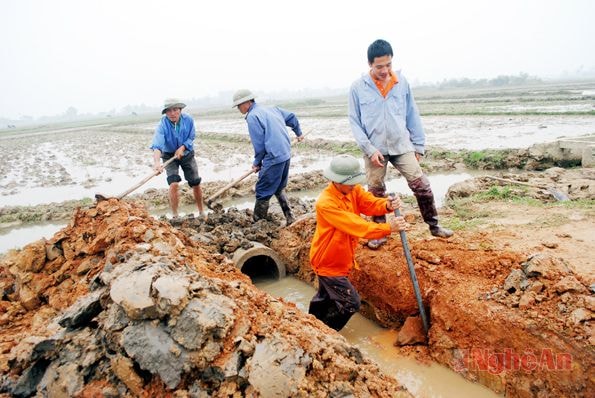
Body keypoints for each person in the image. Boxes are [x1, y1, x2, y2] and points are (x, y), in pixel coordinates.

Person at [348, 39, 453, 249]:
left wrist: (418, 145)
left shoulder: (401, 82)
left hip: (401, 145)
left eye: (388, 65)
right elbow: (354, 122)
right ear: (370, 64)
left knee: (421, 185)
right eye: (379, 66)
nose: (385, 70)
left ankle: (434, 226)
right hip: (375, 149)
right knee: (376, 191)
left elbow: (412, 113)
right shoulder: (358, 88)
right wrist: (369, 149)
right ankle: (379, 233)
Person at [308, 154, 407, 331]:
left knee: (325, 296)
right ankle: (327, 333)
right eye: (351, 182)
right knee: (351, 302)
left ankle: (310, 323)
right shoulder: (326, 203)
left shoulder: (353, 190)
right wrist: (387, 228)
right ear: (337, 181)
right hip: (328, 262)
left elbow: (369, 203)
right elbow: (356, 226)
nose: (355, 185)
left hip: (342, 257)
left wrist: (387, 205)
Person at [232, 89, 304, 225]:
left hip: (274, 156)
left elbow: (259, 145)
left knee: (262, 190)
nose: (238, 108)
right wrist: (298, 133)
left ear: (247, 102)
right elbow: (291, 117)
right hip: (285, 154)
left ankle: (260, 224)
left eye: (239, 105)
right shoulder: (272, 109)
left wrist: (257, 162)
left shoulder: (253, 116)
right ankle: (290, 217)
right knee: (278, 188)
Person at [150, 98, 205, 219]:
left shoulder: (188, 120)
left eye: (175, 110)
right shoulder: (162, 125)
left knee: (195, 182)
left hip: (187, 154)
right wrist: (157, 162)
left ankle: (201, 212)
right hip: (169, 155)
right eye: (169, 111)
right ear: (165, 113)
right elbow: (157, 145)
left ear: (180, 110)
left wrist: (183, 147)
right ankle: (175, 215)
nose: (172, 113)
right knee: (173, 183)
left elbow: (191, 136)